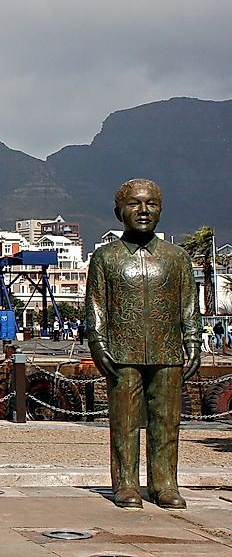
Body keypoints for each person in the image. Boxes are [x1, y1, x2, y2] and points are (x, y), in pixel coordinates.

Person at [86, 179, 201, 510]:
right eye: (135, 204)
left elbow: (188, 305)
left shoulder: (176, 258)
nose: (143, 210)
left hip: (167, 350)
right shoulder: (105, 258)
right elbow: (95, 305)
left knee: (167, 420)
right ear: (118, 211)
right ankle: (125, 483)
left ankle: (164, 483)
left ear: (161, 210)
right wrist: (97, 341)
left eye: (151, 204)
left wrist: (192, 339)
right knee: (123, 422)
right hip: (122, 351)